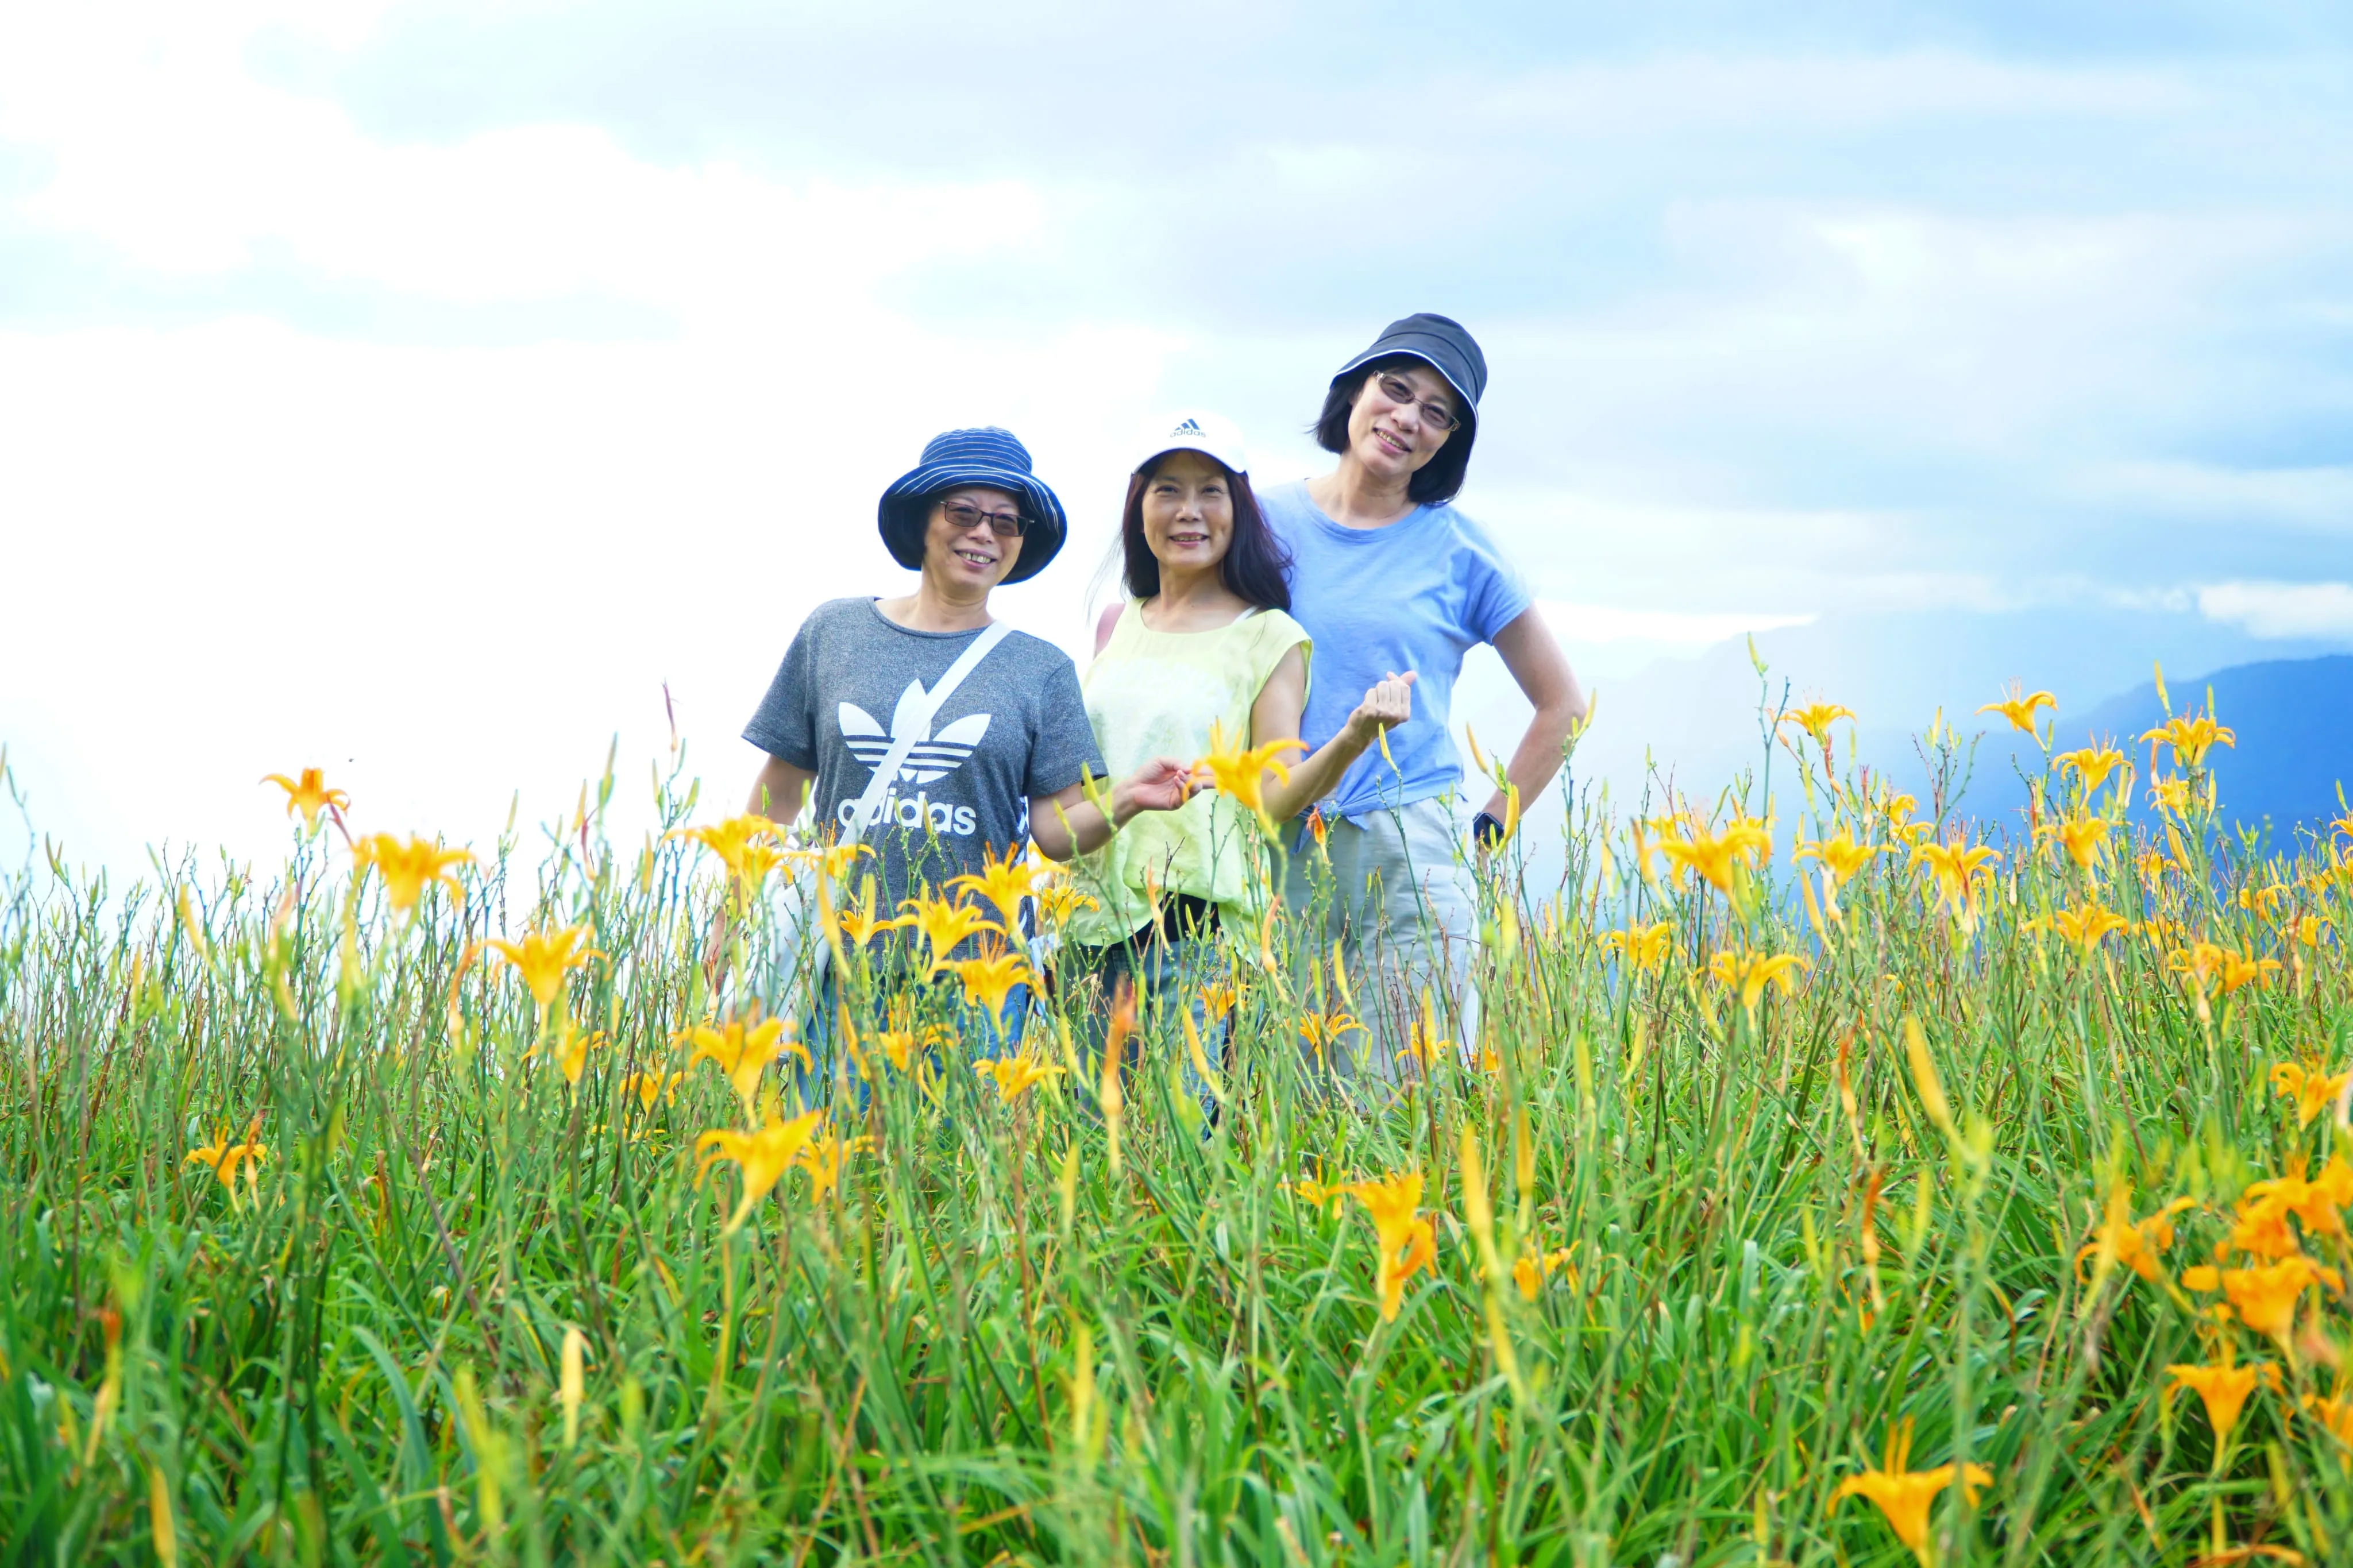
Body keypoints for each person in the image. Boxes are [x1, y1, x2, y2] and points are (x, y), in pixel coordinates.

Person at [735, 426, 1192, 1072]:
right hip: (836, 958)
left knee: (957, 1168)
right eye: (963, 513)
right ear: (923, 520)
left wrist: (1128, 800)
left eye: (1006, 523)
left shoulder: (1041, 668)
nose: (984, 534)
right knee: (828, 1161)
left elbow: (1056, 834)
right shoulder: (833, 631)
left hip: (980, 977)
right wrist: (734, 919)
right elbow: (778, 796)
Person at [1257, 314, 1588, 1081]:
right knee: (1276, 1099)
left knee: (1408, 1094)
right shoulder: (1261, 521)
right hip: (1280, 849)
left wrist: (1489, 829)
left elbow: (1561, 705)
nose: (1408, 418)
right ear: (1354, 394)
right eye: (1397, 390)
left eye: (1437, 413)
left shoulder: (1462, 549)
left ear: (1447, 445)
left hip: (1409, 851)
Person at [1065, 412, 1413, 1107]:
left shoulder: (1268, 635)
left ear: (1238, 509)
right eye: (1167, 490)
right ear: (1139, 508)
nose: (1188, 512)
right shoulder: (1115, 622)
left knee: (1177, 1143)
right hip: (1087, 918)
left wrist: (1350, 739)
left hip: (1195, 927)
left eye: (1210, 491)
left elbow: (1275, 796)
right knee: (1083, 1141)